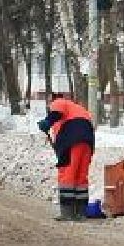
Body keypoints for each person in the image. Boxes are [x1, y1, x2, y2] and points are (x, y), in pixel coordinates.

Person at [38, 93, 94, 222]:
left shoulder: (59, 102)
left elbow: (56, 113)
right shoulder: (78, 108)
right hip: (87, 141)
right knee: (81, 176)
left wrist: (47, 122)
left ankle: (67, 213)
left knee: (67, 174)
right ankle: (81, 213)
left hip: (72, 139)